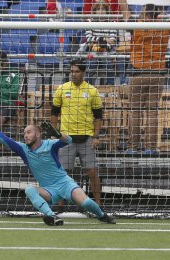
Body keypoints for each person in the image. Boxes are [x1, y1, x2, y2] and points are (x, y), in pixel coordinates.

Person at [0, 112, 115, 225]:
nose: (25, 135)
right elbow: (4, 138)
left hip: (65, 184)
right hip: (49, 190)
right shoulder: (23, 149)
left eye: (29, 132)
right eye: (24, 133)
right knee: (30, 189)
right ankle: (51, 216)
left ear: (38, 134)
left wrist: (59, 134)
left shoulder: (49, 144)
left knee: (87, 203)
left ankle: (103, 216)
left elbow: (68, 140)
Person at [120, 0, 170, 155]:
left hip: (138, 73)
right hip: (157, 74)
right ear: (158, 13)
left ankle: (132, 147)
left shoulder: (136, 24)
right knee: (152, 112)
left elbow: (124, 9)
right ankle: (151, 148)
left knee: (135, 111)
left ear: (144, 13)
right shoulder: (163, 26)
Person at [51, 58, 103, 208]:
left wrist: (96, 136)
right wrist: (54, 134)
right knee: (63, 173)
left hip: (87, 138)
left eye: (77, 71)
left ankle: (98, 203)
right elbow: (54, 113)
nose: (73, 74)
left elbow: (98, 116)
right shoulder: (62, 89)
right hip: (66, 138)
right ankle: (61, 204)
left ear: (83, 72)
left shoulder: (92, 91)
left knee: (92, 171)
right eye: (71, 71)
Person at [79, 2, 117, 85]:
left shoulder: (113, 23)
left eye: (103, 9)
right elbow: (89, 39)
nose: (101, 11)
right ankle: (88, 86)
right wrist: (104, 39)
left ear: (107, 11)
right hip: (92, 49)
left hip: (107, 50)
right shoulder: (89, 22)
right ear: (95, 11)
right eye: (98, 9)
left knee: (108, 64)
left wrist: (100, 42)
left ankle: (110, 87)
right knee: (91, 63)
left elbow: (113, 41)